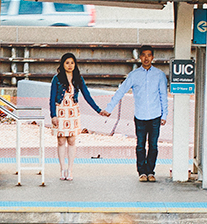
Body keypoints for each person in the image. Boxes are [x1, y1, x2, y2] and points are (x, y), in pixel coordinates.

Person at [106, 46, 169, 182]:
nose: (146, 58)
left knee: (153, 145)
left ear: (153, 57)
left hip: (155, 115)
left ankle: (151, 171)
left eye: (149, 55)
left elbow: (163, 95)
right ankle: (142, 172)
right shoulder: (134, 75)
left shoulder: (159, 75)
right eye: (143, 55)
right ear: (140, 57)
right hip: (140, 116)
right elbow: (121, 91)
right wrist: (109, 108)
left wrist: (164, 115)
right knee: (140, 145)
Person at [49, 51, 106, 182]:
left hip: (73, 112)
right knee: (61, 140)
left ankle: (70, 169)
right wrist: (53, 115)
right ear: (63, 64)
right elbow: (52, 98)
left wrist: (98, 110)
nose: (70, 65)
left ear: (75, 64)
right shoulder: (56, 79)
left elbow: (87, 95)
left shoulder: (78, 79)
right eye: (67, 63)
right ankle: (62, 168)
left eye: (72, 63)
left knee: (72, 140)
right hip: (61, 111)